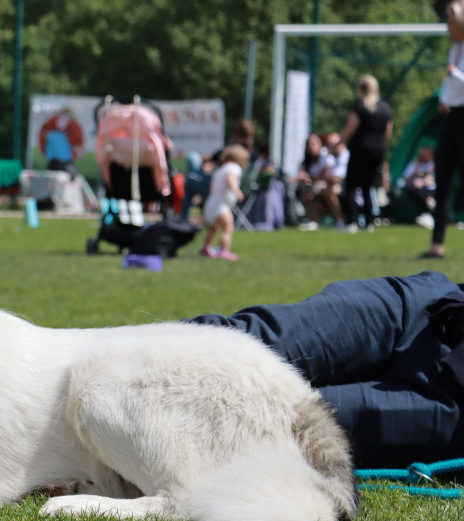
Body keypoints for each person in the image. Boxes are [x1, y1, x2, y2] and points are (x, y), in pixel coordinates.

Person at [187, 271, 464, 468]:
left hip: (451, 405)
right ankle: (145, 351)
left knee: (278, 424)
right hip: (428, 307)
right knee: (250, 340)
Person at [423, 0, 464, 259]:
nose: (447, 26)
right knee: (443, 178)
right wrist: (443, 100)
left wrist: (454, 74)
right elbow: (452, 88)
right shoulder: (454, 49)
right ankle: (436, 244)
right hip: (452, 118)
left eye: (450, 20)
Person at [340, 75, 393, 232]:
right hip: (378, 150)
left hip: (360, 148)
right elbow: (388, 133)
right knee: (368, 186)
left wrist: (338, 143)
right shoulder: (385, 108)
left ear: (360, 89)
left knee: (351, 185)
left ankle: (351, 221)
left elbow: (351, 127)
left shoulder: (359, 107)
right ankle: (369, 222)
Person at [199, 144, 247, 261]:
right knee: (228, 228)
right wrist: (236, 191)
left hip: (211, 204)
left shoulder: (221, 168)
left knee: (213, 228)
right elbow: (230, 179)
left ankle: (206, 248)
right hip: (221, 206)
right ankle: (224, 251)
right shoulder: (233, 167)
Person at [404, 144, 438, 220]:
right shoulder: (415, 163)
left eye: (427, 155)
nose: (424, 157)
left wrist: (425, 181)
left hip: (431, 189)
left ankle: (430, 209)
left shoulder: (434, 164)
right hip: (417, 189)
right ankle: (429, 205)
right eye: (423, 155)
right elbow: (406, 178)